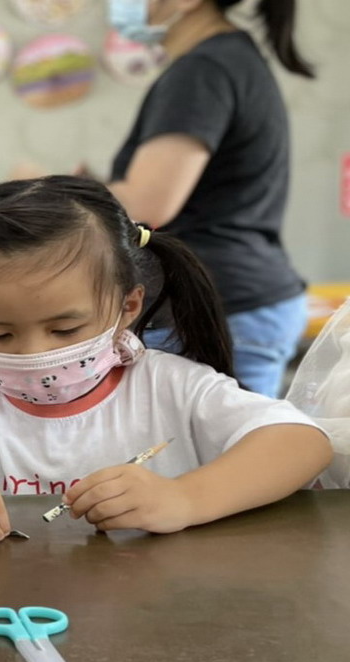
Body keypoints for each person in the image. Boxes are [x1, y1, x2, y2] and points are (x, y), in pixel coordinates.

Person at [0, 176, 331, 552]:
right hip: (10, 610)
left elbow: (302, 443)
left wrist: (185, 498)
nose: (35, 353)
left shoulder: (168, 385)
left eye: (65, 330)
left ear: (128, 307)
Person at [103, 0, 314, 397]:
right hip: (239, 297)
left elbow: (148, 203)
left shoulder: (204, 70)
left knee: (220, 454)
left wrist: (52, 188)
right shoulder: (229, 59)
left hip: (216, 303)